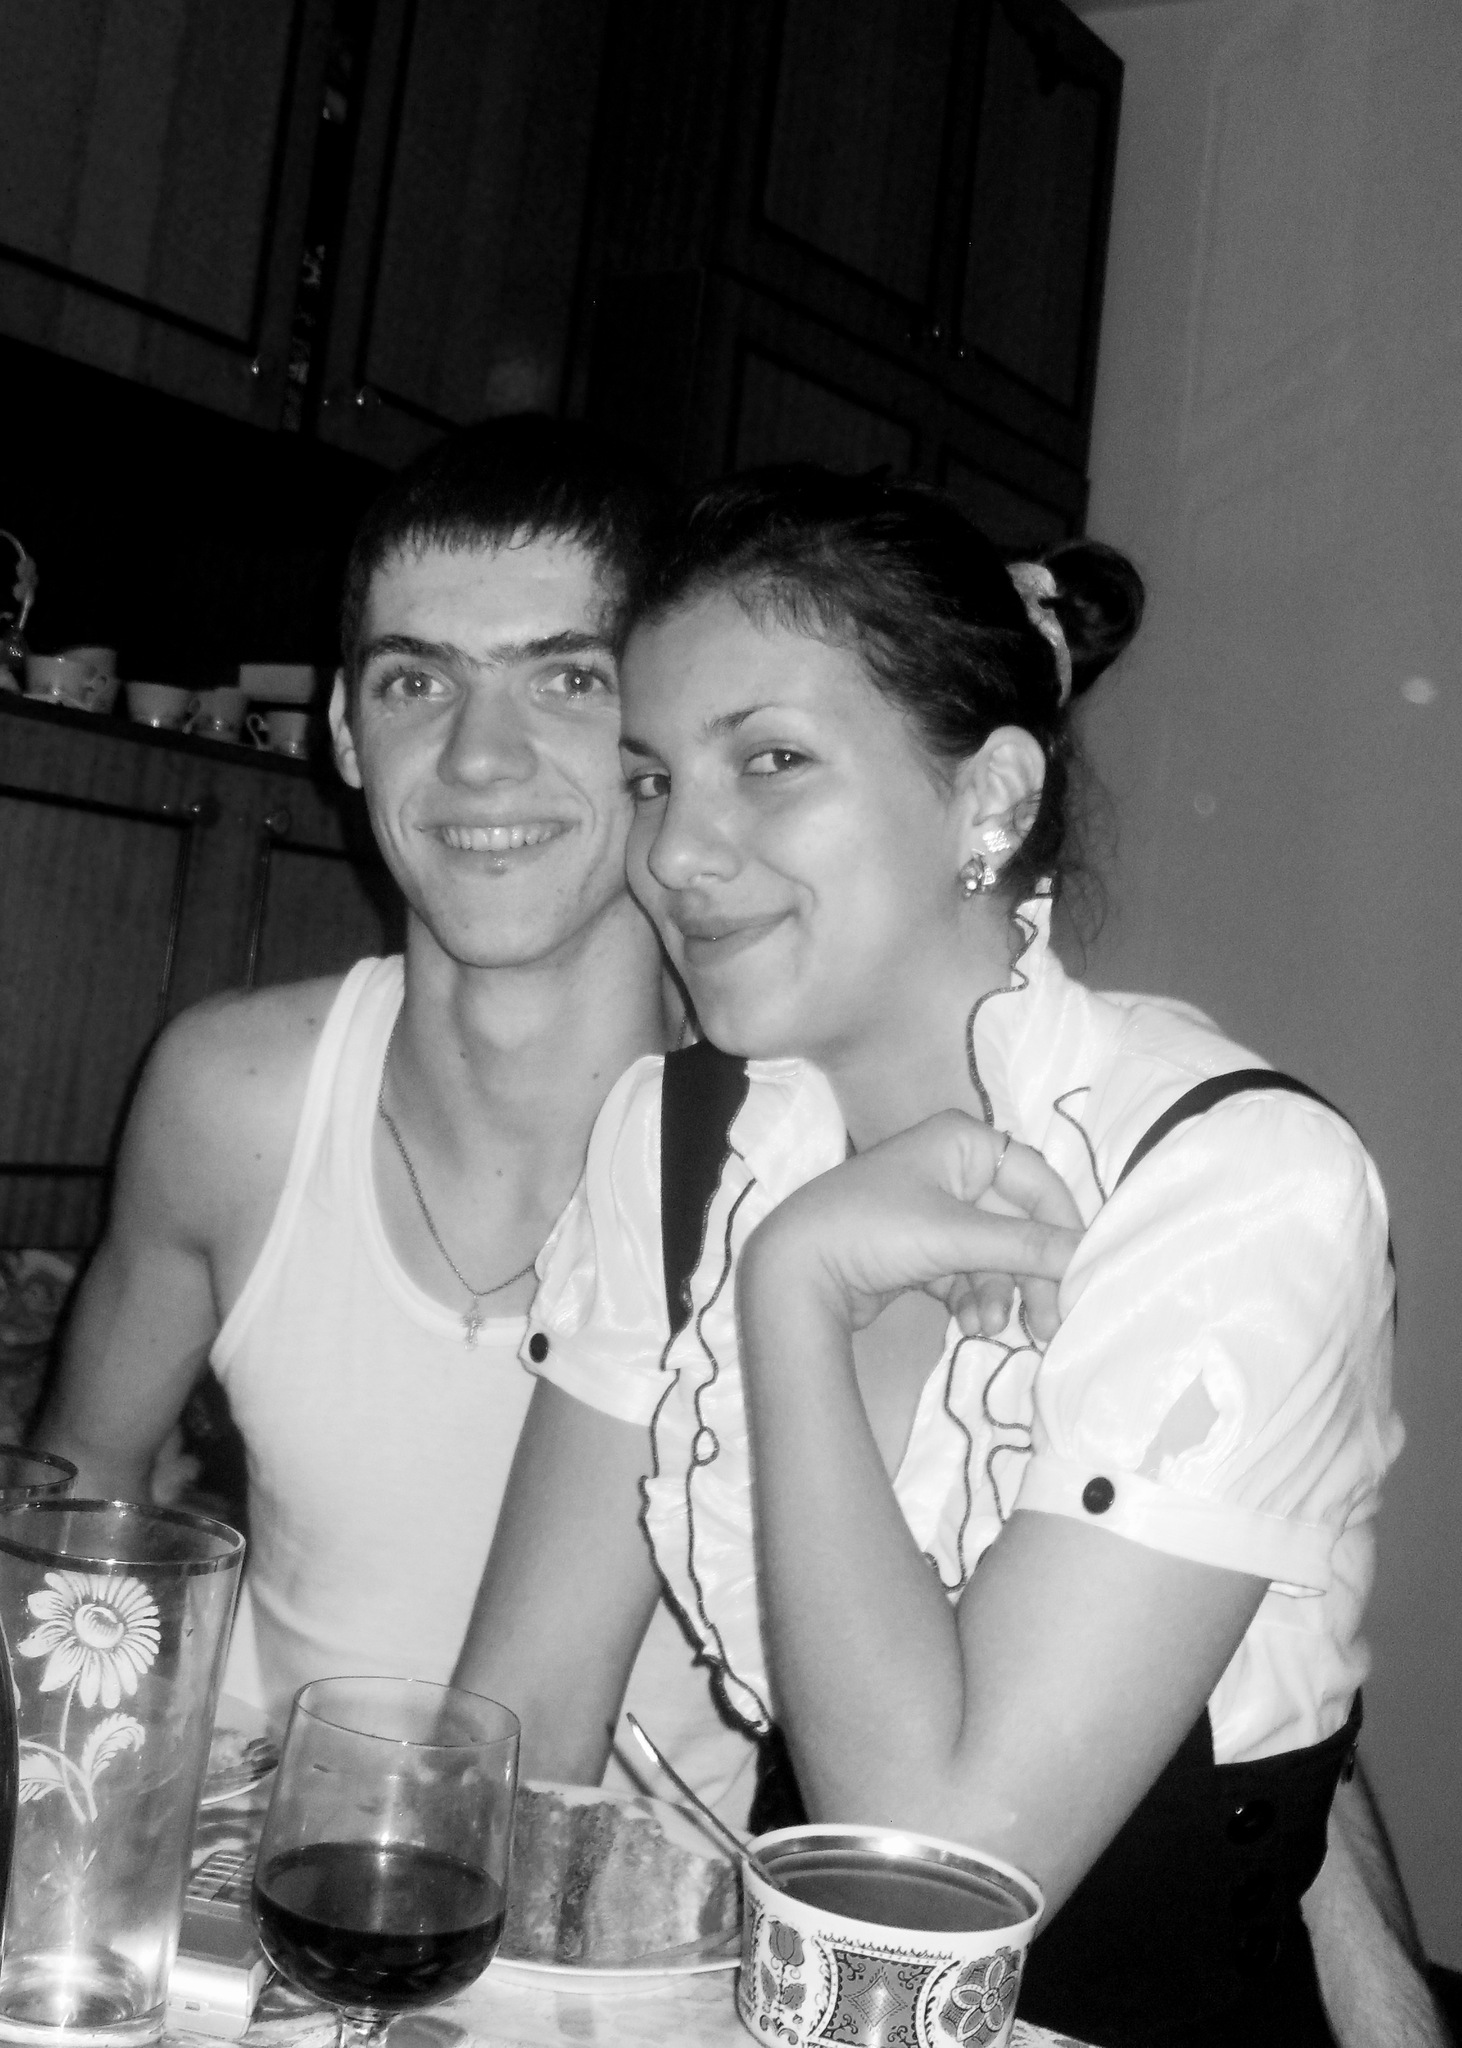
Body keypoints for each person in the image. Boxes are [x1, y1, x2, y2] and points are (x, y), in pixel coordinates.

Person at [456, 468, 1442, 2044]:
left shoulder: (1232, 1183)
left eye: (769, 761)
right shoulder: (677, 1136)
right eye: (649, 779)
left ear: (987, 801)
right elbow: (518, 1720)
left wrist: (793, 1289)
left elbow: (929, 1881)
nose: (676, 854)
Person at [29, 415, 757, 1821]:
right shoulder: (235, 1098)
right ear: (346, 736)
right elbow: (83, 1492)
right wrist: (87, 1828)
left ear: (664, 735)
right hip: (247, 1867)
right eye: (418, 681)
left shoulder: (787, 1150)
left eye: (567, 680)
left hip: (635, 1917)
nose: (480, 759)